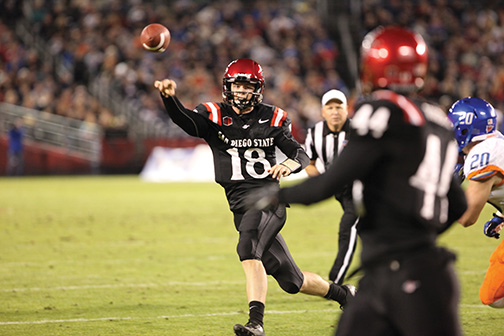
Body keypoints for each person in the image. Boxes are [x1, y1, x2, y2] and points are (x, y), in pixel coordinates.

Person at [247, 26, 467, 336]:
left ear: (372, 66)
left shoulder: (380, 111)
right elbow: (457, 205)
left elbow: (329, 182)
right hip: (421, 271)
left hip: (399, 274)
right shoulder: (437, 119)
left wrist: (275, 196)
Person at [154, 58, 355, 336]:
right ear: (227, 86)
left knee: (247, 248)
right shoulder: (214, 115)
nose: (241, 91)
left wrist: (287, 165)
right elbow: (185, 120)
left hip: (267, 200)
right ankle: (345, 295)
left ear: (257, 88)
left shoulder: (272, 117)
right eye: (237, 84)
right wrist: (169, 99)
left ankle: (256, 323)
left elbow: (300, 153)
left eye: (247, 85)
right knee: (291, 281)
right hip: (239, 204)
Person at [448, 97, 504, 308]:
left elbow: (467, 218)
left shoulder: (482, 154)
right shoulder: (495, 141)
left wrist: (450, 189)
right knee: (492, 294)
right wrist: (500, 215)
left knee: (494, 296)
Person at [304, 89, 358, 284]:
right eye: (330, 107)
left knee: (348, 226)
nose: (335, 112)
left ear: (347, 110)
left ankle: (336, 279)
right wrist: (322, 181)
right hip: (340, 190)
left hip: (364, 187)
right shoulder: (314, 133)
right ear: (323, 111)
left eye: (339, 107)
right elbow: (309, 164)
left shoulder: (359, 131)